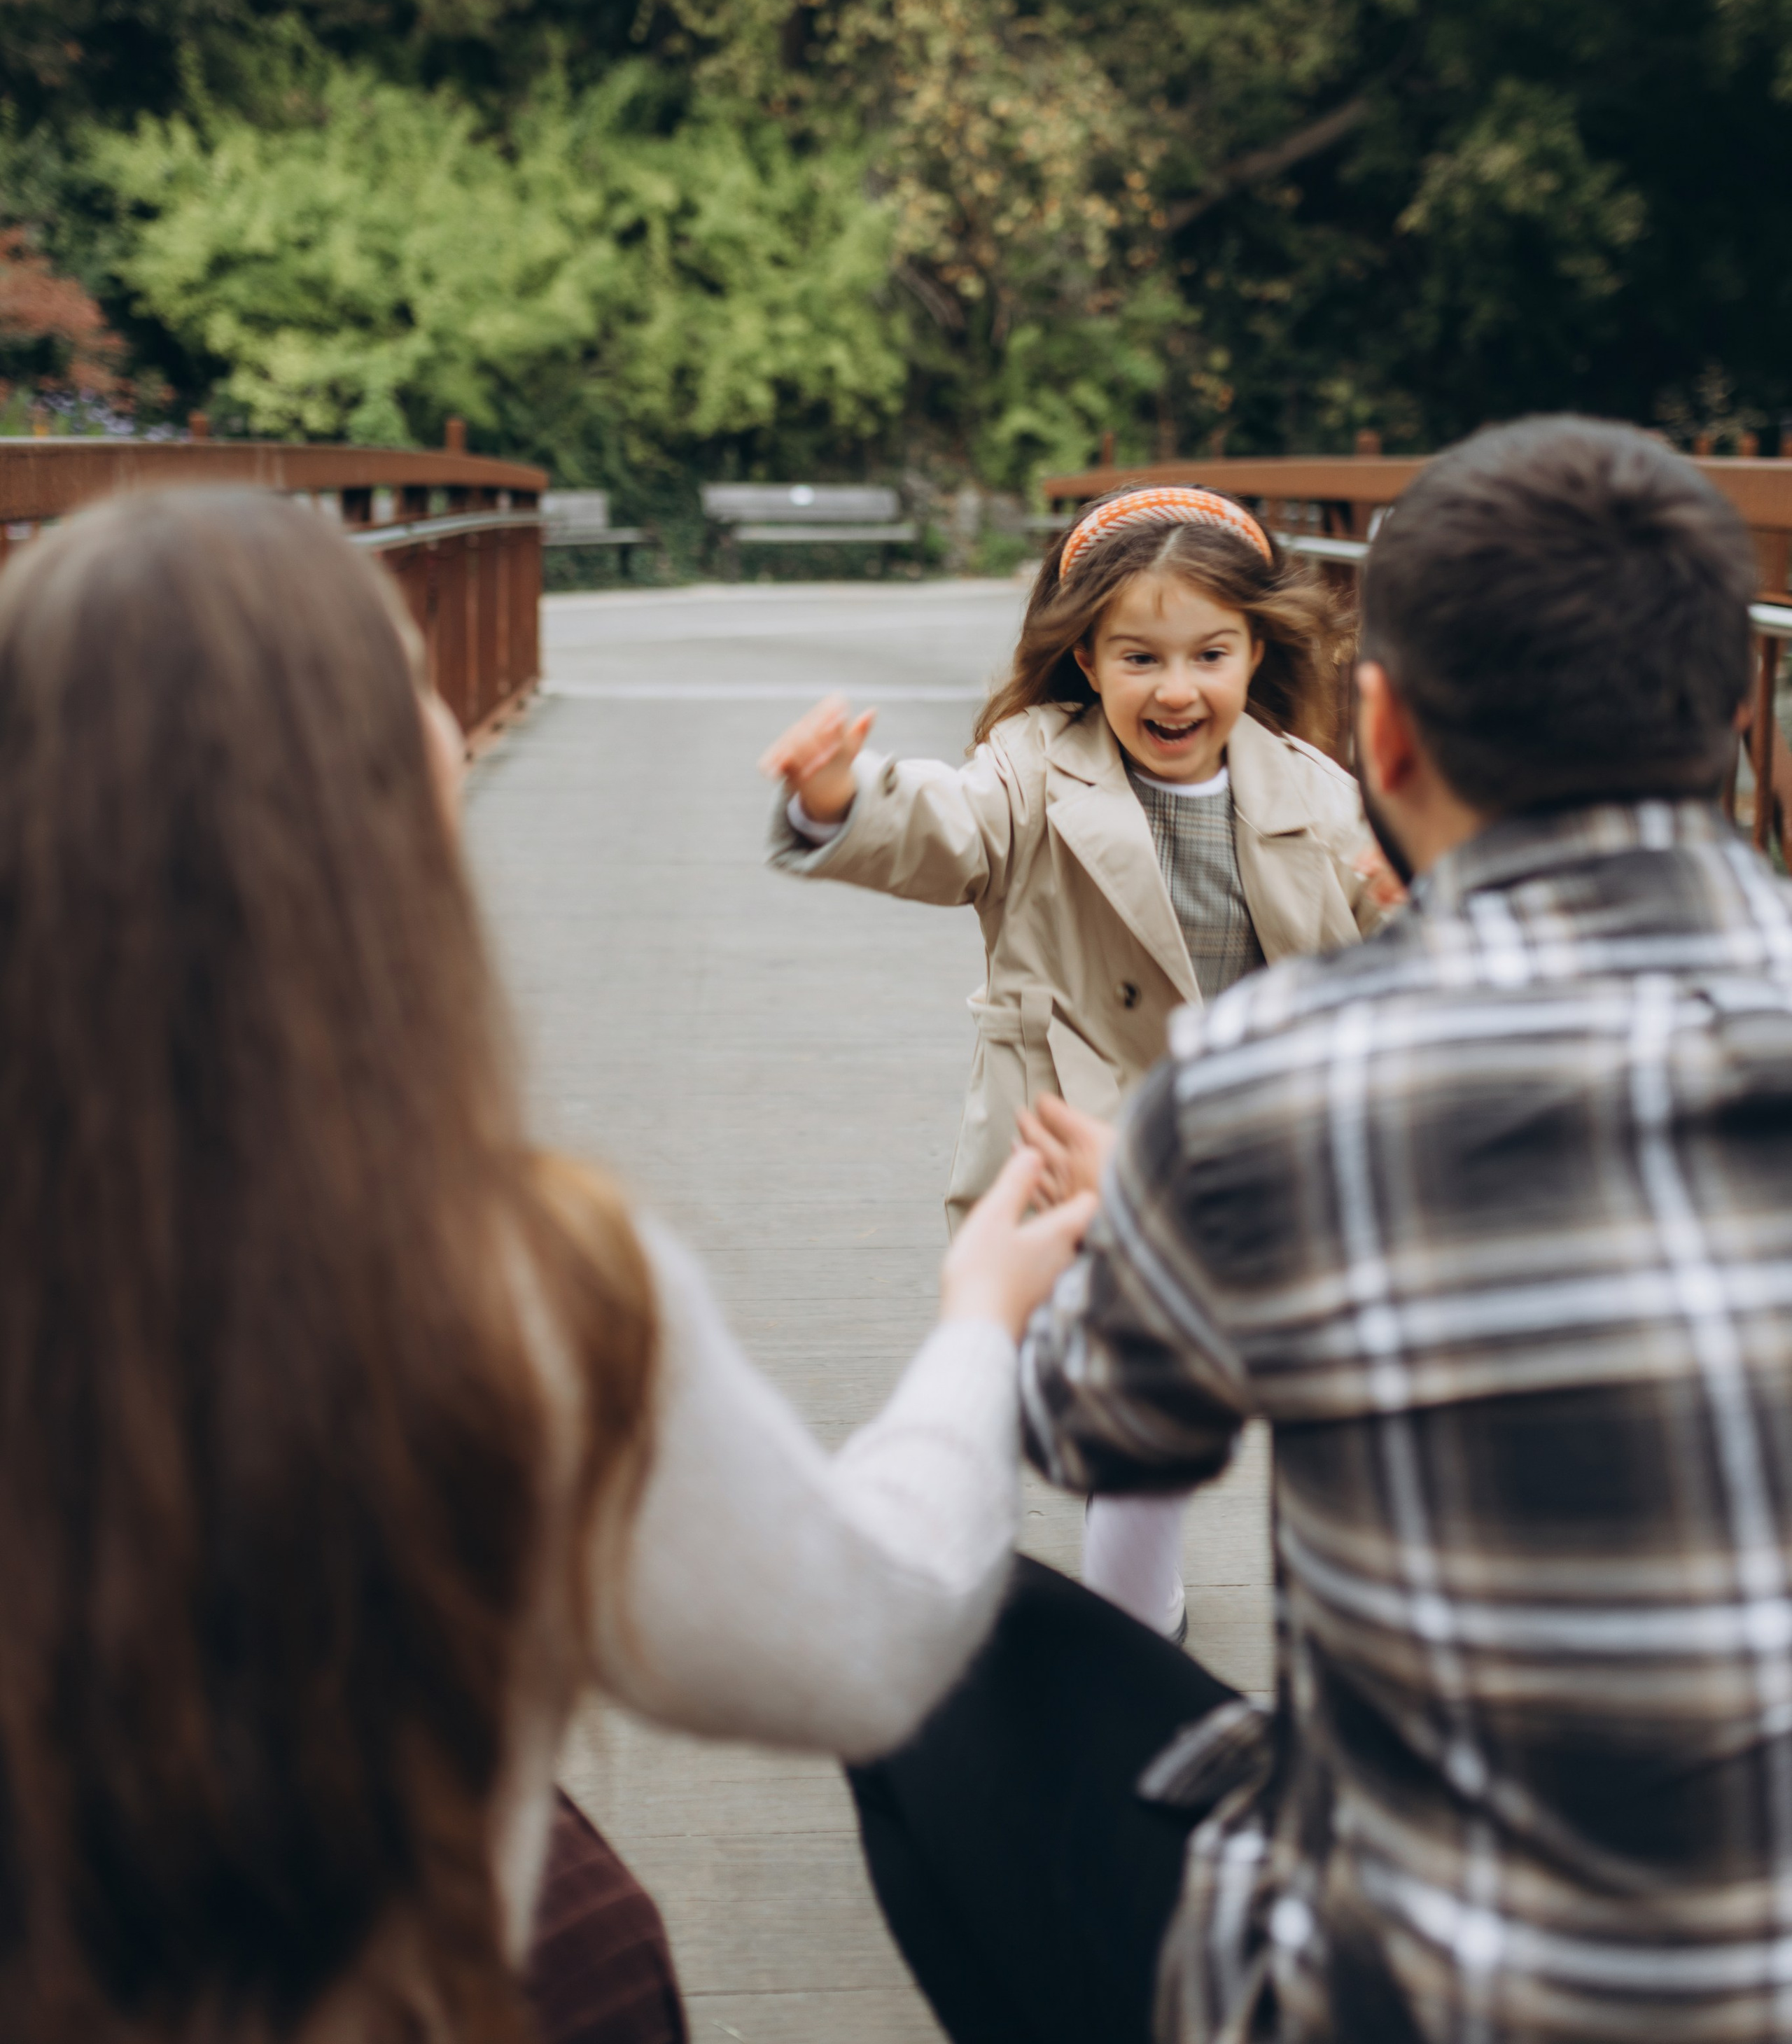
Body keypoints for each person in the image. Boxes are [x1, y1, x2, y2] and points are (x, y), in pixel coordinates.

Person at [0, 486, 1093, 2044]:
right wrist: (978, 1329)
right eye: (424, 702)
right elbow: (856, 1648)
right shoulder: (517, 1273)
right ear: (386, 799)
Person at [848, 414, 1792, 2044]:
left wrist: (998, 1300)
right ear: (1733, 720)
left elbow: (1092, 1424)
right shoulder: (1049, 782)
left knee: (914, 1643)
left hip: (1417, 1987)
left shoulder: (1278, 1076)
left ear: (1382, 731)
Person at [761, 483, 1387, 1636]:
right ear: (1086, 660)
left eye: (1211, 652)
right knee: (1095, 1389)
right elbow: (949, 828)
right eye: (1139, 656)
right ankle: (1063, 1605)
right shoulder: (1033, 766)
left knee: (1166, 1403)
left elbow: (1393, 928)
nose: (1177, 687)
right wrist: (842, 802)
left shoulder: (1316, 793)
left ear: (1257, 650)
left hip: (1236, 1155)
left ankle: (1146, 1623)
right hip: (1059, 1133)